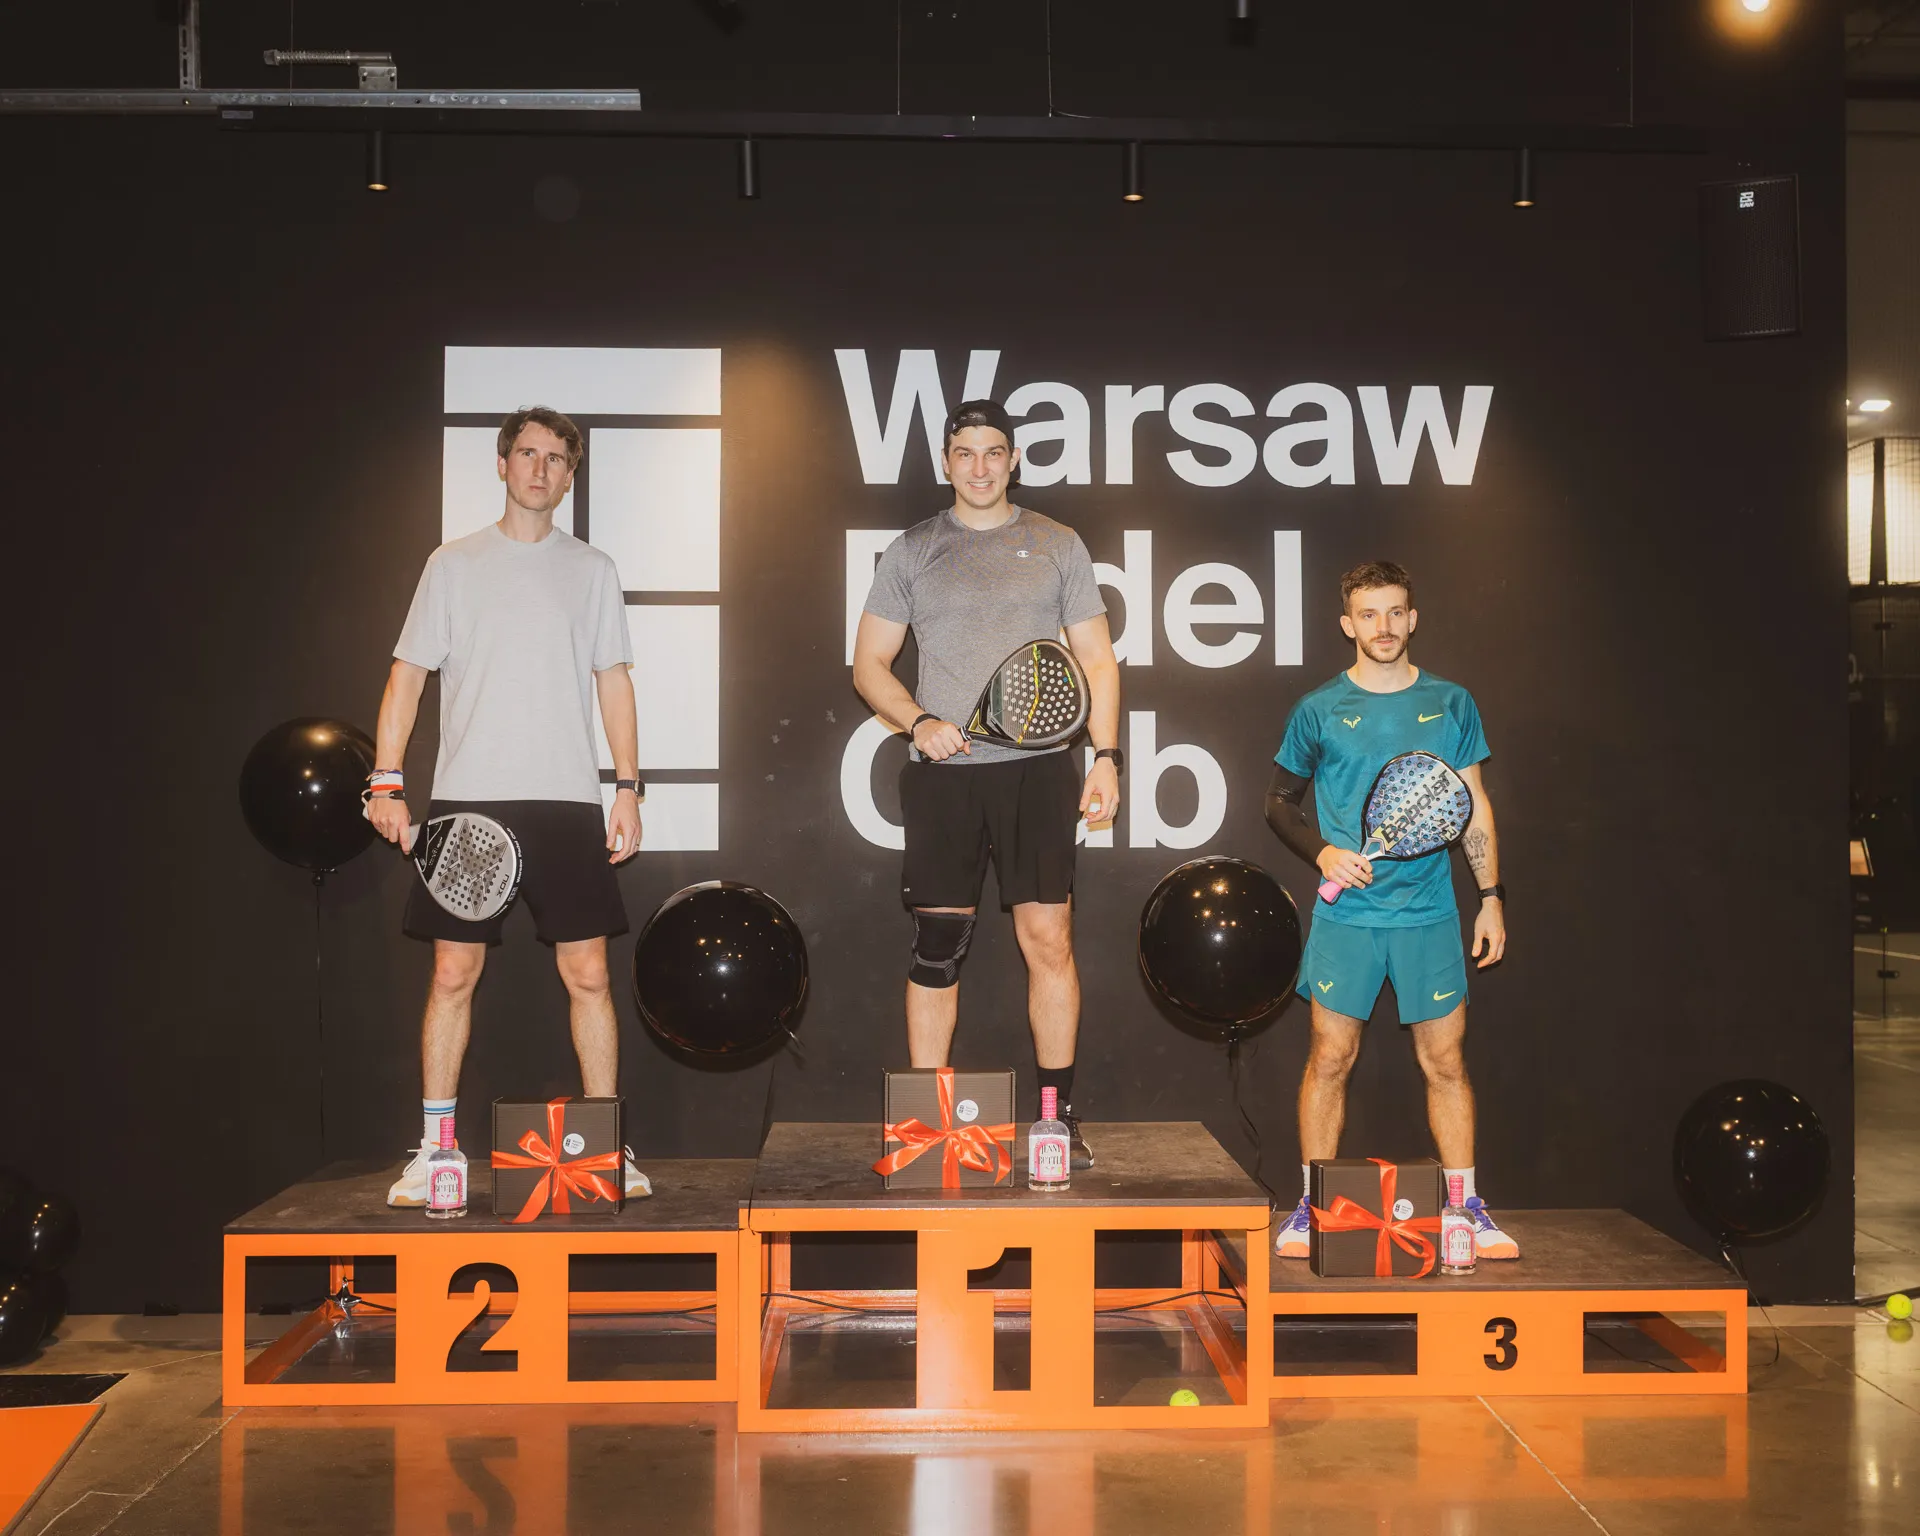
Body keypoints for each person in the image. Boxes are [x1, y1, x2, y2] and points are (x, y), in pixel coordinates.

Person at [366, 406, 651, 1206]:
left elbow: (614, 682)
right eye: (527, 453)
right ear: (502, 464)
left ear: (569, 476)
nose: (540, 469)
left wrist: (628, 786)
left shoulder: (591, 569)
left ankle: (605, 1144)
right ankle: (435, 1149)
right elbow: (407, 676)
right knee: (452, 972)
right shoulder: (453, 564)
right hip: (470, 802)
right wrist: (386, 780)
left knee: (588, 973)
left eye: (556, 459)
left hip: (566, 800)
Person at [852, 399, 1121, 1168]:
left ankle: (1055, 1119)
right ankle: (925, 1126)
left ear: (1014, 460)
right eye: (965, 453)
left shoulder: (1058, 543)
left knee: (1049, 941)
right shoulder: (913, 550)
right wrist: (917, 721)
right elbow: (868, 665)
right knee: (937, 946)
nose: (979, 467)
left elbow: (1097, 661)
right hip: (945, 778)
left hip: (1038, 773)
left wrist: (1107, 756)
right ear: (946, 462)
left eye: (993, 452)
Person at [1263, 560, 1515, 1259]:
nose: (1384, 626)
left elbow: (1472, 805)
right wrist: (1322, 854)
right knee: (1329, 1058)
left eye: (1396, 612)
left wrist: (1491, 898)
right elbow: (1277, 804)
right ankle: (1312, 1207)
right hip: (1347, 920)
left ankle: (1464, 1208)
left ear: (1413, 619)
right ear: (1348, 624)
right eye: (1369, 614)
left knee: (1446, 1062)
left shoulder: (1451, 702)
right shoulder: (1319, 709)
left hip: (1429, 914)